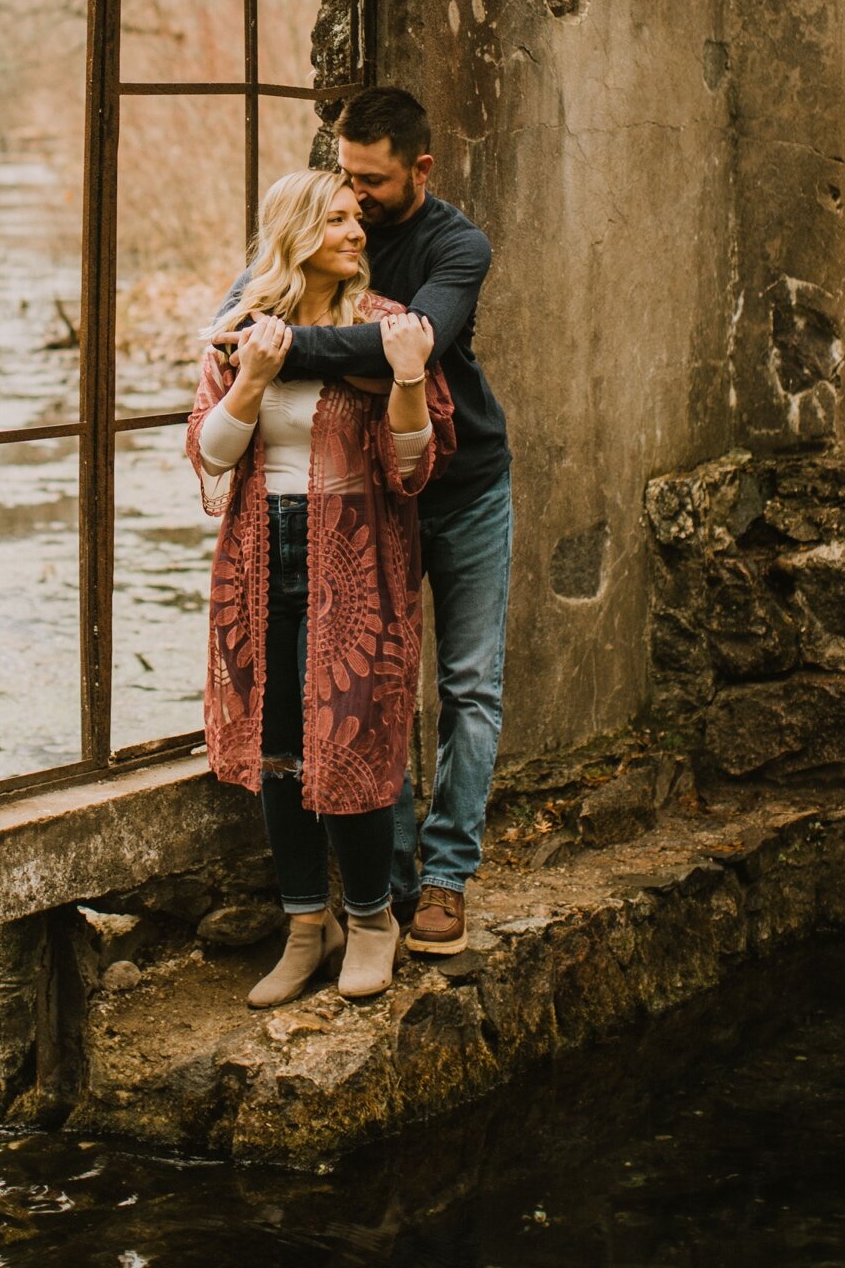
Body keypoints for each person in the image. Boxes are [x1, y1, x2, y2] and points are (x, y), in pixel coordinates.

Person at [187, 168, 454, 1007]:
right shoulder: (240, 334)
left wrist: (409, 378)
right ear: (296, 233)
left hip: (357, 556)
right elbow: (211, 453)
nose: (357, 231)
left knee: (348, 740)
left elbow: (414, 466)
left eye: (356, 217)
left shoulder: (387, 330)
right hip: (260, 557)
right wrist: (254, 379)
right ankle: (310, 925)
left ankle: (372, 920)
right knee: (277, 751)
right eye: (335, 220)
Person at [258, 87, 512, 958]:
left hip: (467, 484)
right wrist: (269, 337)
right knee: (376, 686)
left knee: (469, 685)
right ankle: (391, 886)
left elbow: (415, 346)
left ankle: (445, 880)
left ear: (421, 169)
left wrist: (284, 346)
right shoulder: (330, 223)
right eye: (345, 179)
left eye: (372, 181)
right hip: (374, 499)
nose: (355, 202)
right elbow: (242, 310)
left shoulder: (457, 245)